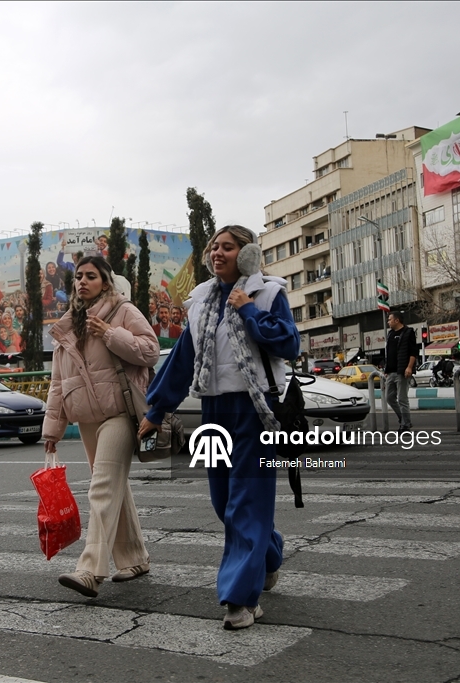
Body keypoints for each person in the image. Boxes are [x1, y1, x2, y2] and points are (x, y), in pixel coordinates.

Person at [139, 225, 300, 630]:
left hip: (255, 409)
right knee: (223, 500)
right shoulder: (200, 301)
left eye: (228, 247)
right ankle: (268, 553)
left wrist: (249, 310)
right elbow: (182, 361)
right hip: (214, 409)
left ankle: (240, 599)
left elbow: (289, 344)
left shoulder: (269, 293)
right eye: (214, 247)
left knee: (245, 502)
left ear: (247, 254)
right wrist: (157, 410)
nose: (217, 253)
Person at [43, 255, 159, 599]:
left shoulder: (123, 310)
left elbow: (150, 351)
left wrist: (110, 334)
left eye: (90, 276)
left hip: (120, 412)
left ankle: (90, 569)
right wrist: (52, 430)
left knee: (102, 486)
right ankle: (135, 558)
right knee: (112, 485)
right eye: (78, 276)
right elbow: (58, 383)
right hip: (87, 418)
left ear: (105, 282)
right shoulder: (68, 324)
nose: (82, 281)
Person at [384, 312, 417, 432]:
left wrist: (409, 367)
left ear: (397, 320)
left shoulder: (408, 332)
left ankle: (405, 425)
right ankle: (403, 419)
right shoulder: (390, 334)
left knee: (402, 399)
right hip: (391, 372)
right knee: (389, 397)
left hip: (402, 371)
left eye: (390, 319)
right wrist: (386, 369)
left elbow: (413, 352)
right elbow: (389, 353)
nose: (388, 322)